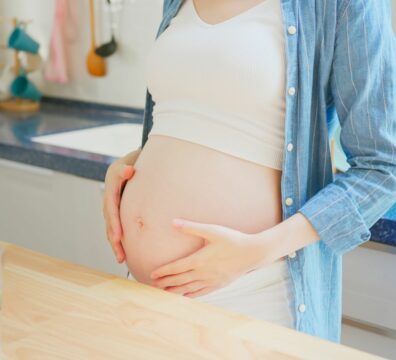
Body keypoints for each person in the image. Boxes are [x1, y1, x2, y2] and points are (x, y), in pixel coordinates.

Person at [102, 0, 396, 343]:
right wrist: (126, 165)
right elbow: (191, 124)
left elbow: (382, 167)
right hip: (144, 294)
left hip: (252, 292)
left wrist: (257, 251)